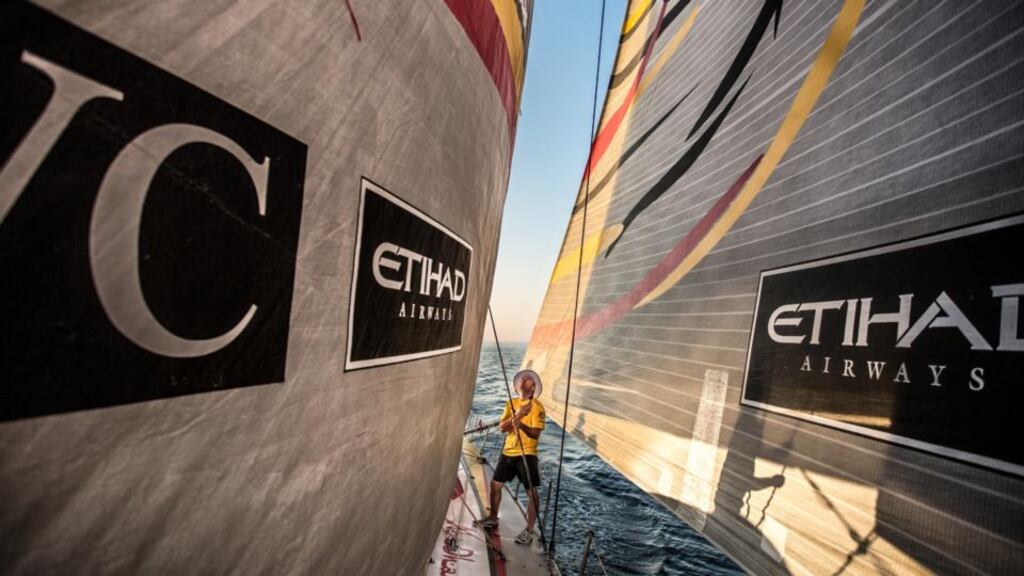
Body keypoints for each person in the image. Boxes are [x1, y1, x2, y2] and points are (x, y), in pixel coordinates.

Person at [475, 370, 545, 545]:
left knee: (532, 493)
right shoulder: (511, 403)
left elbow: (535, 433)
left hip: (526, 453)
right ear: (517, 386)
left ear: (533, 387)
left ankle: (529, 530)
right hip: (508, 451)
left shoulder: (538, 407)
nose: (524, 379)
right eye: (522, 378)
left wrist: (521, 425)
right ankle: (493, 518)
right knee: (495, 484)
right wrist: (518, 415)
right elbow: (502, 427)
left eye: (528, 379)